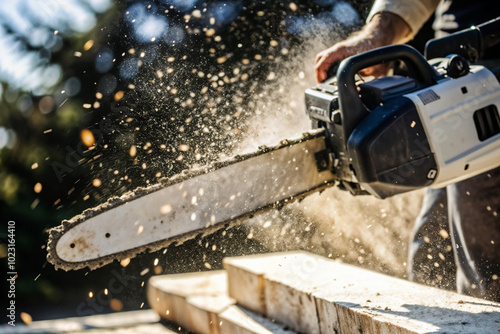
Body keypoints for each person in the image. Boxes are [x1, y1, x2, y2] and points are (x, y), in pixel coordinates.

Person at [315, 0, 500, 302]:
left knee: (481, 260)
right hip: (456, 65)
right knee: (433, 251)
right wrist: (378, 36)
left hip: (485, 78)